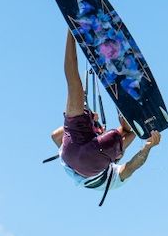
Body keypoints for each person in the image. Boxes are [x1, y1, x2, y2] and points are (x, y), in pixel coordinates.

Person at [50, 31, 162, 200]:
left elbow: (131, 167)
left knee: (127, 133)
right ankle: (70, 32)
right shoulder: (108, 176)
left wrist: (148, 147)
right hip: (72, 152)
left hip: (89, 158)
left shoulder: (113, 176)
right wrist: (88, 120)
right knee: (73, 83)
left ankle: (125, 114)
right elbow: (55, 136)